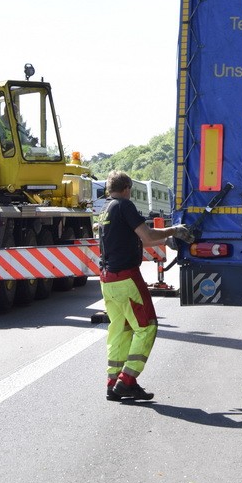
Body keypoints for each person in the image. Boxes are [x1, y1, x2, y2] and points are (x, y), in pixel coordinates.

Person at [95, 170, 193, 401]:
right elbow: (147, 236)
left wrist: (165, 238)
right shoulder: (124, 205)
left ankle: (113, 382)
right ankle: (126, 381)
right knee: (147, 326)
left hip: (107, 279)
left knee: (121, 330)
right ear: (127, 188)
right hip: (126, 278)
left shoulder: (105, 209)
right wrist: (175, 230)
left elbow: (131, 237)